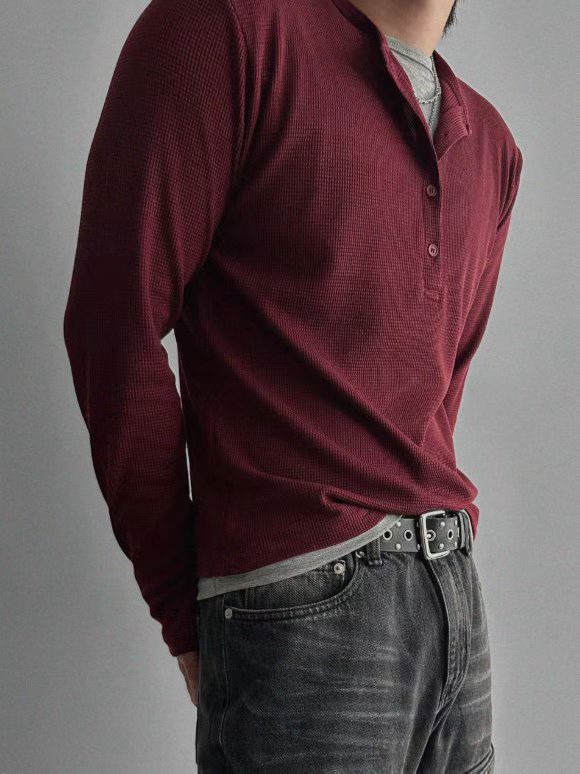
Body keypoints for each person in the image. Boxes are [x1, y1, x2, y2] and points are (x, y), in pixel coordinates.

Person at [63, 0, 523, 770]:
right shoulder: (225, 28)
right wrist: (183, 605)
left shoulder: (494, 147)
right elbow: (114, 325)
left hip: (454, 591)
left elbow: (437, 397)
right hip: (307, 602)